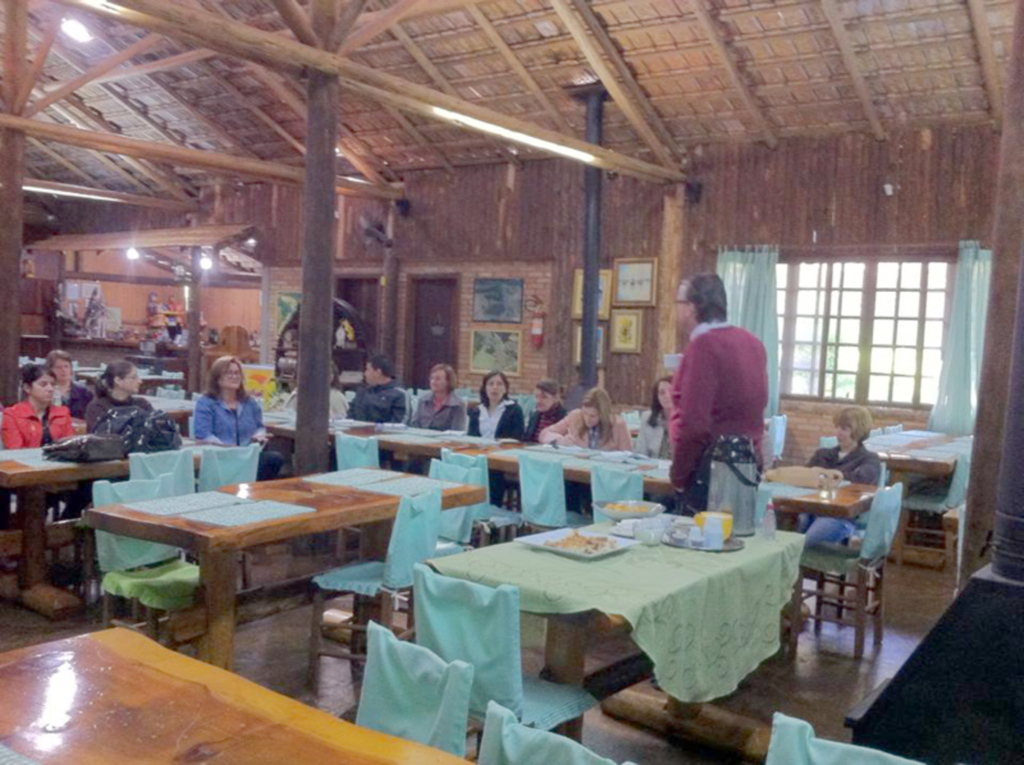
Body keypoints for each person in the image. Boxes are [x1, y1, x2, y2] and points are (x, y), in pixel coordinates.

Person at [670, 274, 768, 513]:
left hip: (709, 472)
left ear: (691, 308)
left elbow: (694, 423)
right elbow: (758, 407)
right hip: (746, 466)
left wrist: (679, 475)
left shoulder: (703, 346)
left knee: (701, 545)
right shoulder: (753, 343)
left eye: (678, 303)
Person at [801, 406, 883, 547]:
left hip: (840, 517)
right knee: (785, 526)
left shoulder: (870, 459)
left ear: (859, 432)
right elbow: (805, 475)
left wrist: (827, 474)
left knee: (800, 544)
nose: (838, 433)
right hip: (810, 510)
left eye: (845, 429)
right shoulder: (823, 454)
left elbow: (860, 480)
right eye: (837, 427)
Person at [193, 355, 283, 480]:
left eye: (237, 373)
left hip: (247, 456)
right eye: (228, 373)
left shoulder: (249, 402)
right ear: (217, 377)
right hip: (221, 458)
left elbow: (259, 427)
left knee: (274, 458)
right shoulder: (206, 403)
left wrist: (259, 436)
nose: (234, 376)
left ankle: (255, 492)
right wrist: (228, 449)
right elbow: (203, 434)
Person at [2, 364, 75, 448]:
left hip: (58, 459)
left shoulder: (63, 412)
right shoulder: (12, 415)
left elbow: (70, 446)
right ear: (27, 388)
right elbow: (15, 450)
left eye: (53, 384)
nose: (50, 389)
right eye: (43, 385)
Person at [539, 387, 632, 451]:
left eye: (593, 416)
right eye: (585, 413)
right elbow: (544, 434)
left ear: (603, 414)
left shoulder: (618, 425)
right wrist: (559, 440)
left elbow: (628, 456)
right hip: (577, 471)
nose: (587, 419)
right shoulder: (575, 416)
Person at [85, 360, 153, 432]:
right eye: (134, 377)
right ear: (118, 380)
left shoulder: (142, 404)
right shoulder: (98, 407)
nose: (140, 381)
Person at [467, 371, 525, 440]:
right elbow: (471, 438)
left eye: (499, 384)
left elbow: (518, 438)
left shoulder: (514, 410)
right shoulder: (477, 411)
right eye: (491, 384)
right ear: (485, 388)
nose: (495, 387)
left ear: (505, 389)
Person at [350, 355, 406, 424]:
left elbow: (400, 422)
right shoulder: (362, 392)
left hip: (385, 433)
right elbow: (350, 416)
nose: (365, 374)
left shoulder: (399, 394)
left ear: (378, 372)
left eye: (367, 370)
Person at [410, 363, 467, 431]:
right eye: (431, 378)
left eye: (438, 379)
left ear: (448, 382)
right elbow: (414, 425)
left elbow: (457, 431)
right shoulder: (423, 400)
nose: (433, 382)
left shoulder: (457, 405)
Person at [282, 361, 349, 418]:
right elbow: (286, 414)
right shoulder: (299, 394)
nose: (327, 375)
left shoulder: (337, 396)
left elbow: (342, 420)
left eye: (330, 372)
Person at [46, 350, 92, 420]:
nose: (63, 370)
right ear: (50, 370)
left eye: (66, 366)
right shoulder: (45, 392)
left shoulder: (84, 392)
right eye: (58, 367)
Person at [636, 376, 673, 459]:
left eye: (671, 391)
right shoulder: (647, 418)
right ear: (657, 397)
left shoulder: (689, 420)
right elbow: (641, 454)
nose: (666, 396)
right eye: (662, 393)